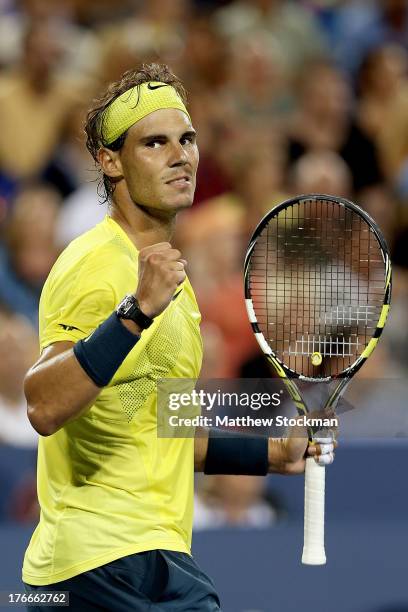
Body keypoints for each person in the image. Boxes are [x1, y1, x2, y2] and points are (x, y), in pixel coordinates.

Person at [22, 63, 335, 611]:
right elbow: (43, 405)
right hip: (101, 560)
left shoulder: (175, 288)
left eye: (187, 139)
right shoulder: (96, 264)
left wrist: (272, 454)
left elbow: (164, 436)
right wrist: (136, 312)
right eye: (155, 143)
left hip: (152, 557)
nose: (180, 155)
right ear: (110, 161)